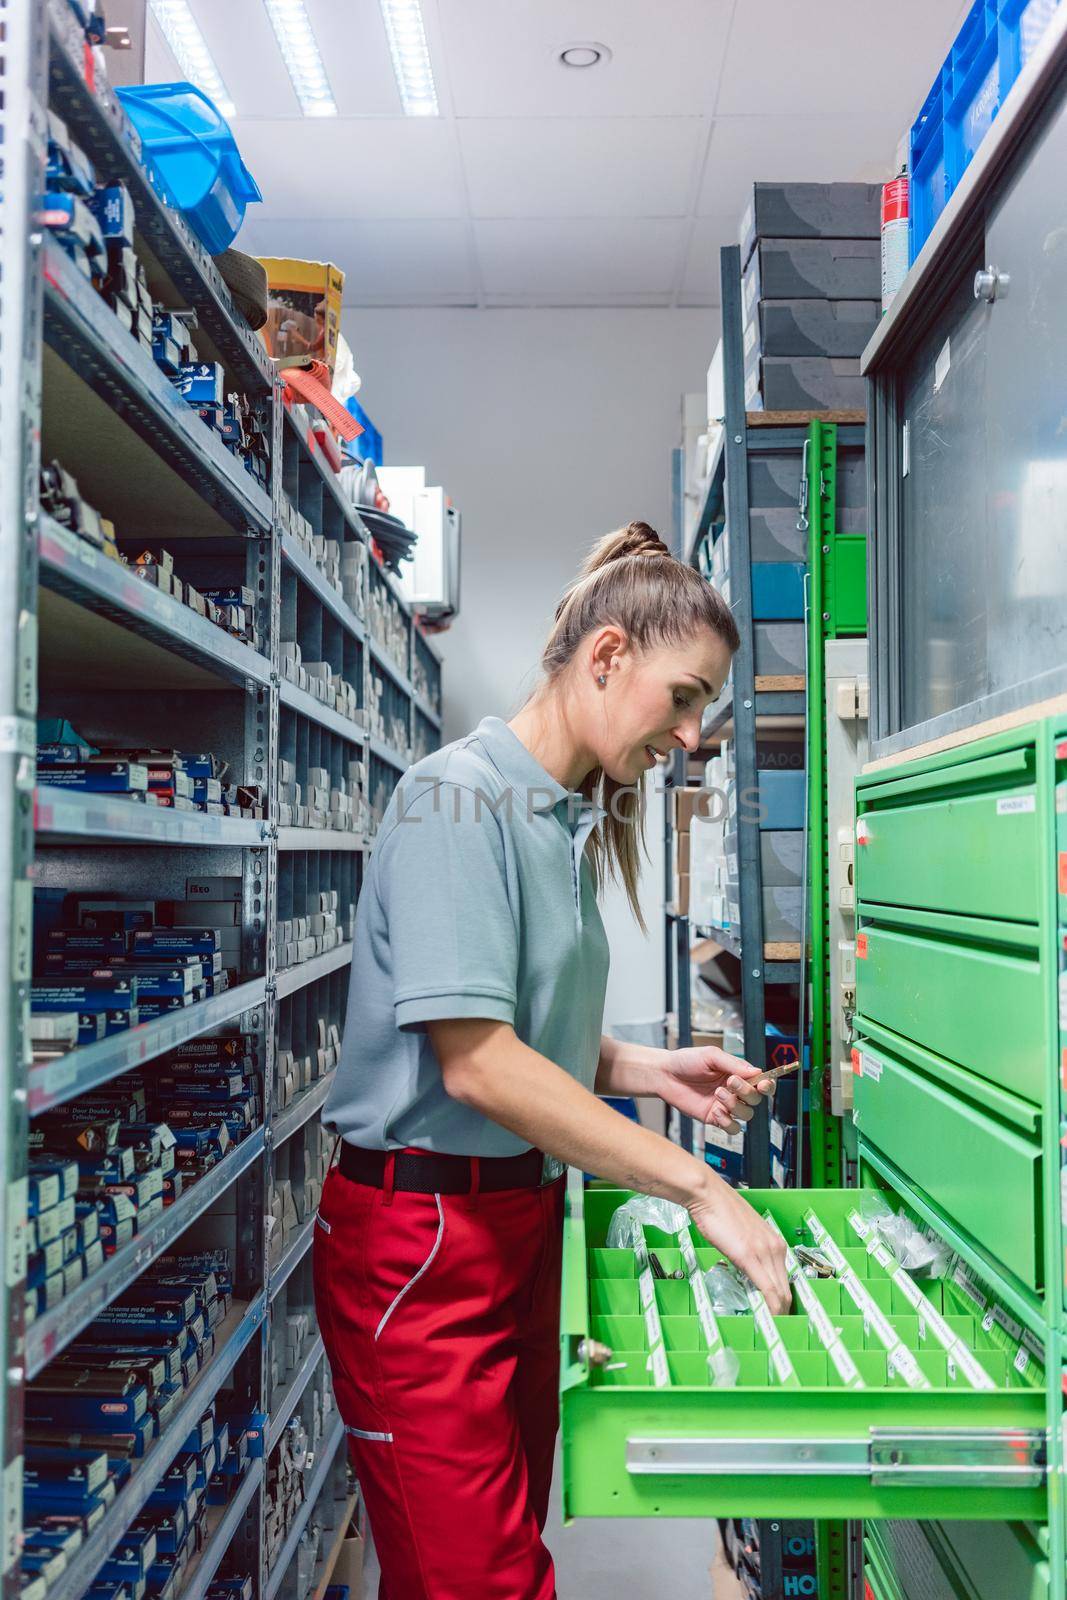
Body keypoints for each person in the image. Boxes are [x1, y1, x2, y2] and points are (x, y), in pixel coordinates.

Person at [315, 521, 789, 1600]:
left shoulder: (558, 816)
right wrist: (693, 1183)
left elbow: (513, 1024)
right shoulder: (456, 801)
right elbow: (477, 1064)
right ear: (607, 655)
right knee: (475, 1582)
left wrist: (642, 1067)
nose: (686, 734)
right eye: (680, 697)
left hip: (514, 1223)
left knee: (491, 1552)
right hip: (422, 1246)